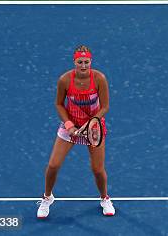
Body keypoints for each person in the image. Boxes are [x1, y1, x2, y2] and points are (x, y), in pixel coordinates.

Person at [37, 46, 115, 218]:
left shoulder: (99, 78)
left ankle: (105, 198)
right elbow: (59, 104)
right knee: (53, 165)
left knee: (97, 169)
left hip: (93, 128)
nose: (83, 65)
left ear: (90, 62)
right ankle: (47, 197)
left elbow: (105, 106)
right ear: (74, 62)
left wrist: (91, 124)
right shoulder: (64, 80)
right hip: (70, 126)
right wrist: (69, 124)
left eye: (86, 62)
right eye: (80, 62)